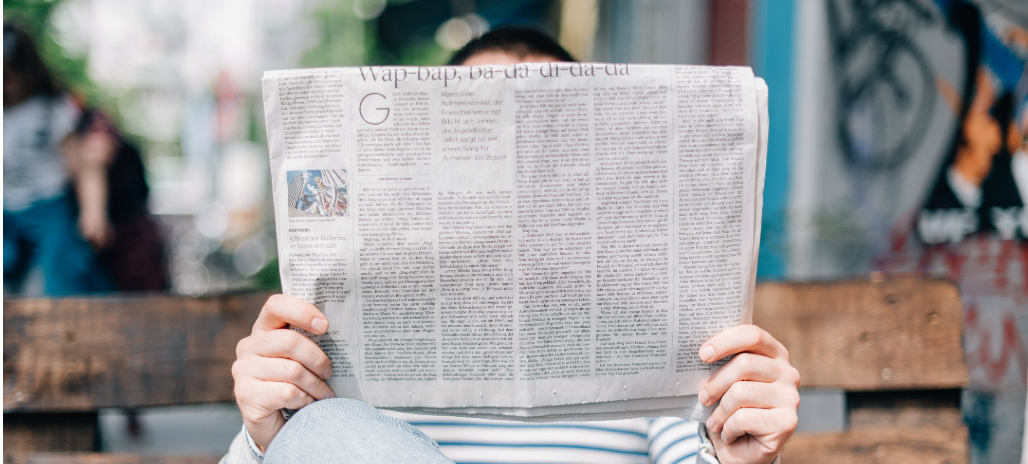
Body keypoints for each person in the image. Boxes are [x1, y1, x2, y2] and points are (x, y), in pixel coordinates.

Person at [224, 27, 798, 464]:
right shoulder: (343, 348)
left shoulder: (648, 330)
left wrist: (737, 456)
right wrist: (264, 436)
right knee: (325, 431)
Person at [3, 22, 116, 295]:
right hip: (6, 212)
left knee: (57, 281)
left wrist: (93, 211)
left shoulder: (51, 108)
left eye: (11, 72)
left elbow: (85, 167)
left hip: (49, 209)